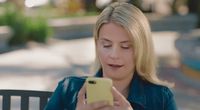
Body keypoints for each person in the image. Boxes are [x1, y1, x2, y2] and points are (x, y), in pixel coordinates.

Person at [45, 2, 177, 110]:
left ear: (142, 49)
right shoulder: (68, 89)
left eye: (126, 46)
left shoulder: (161, 99)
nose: (114, 55)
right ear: (97, 45)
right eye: (106, 45)